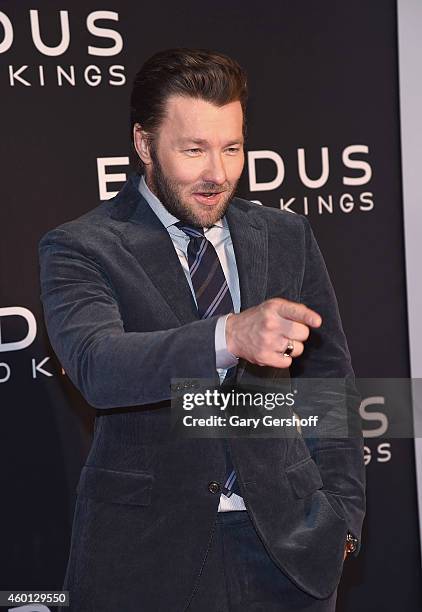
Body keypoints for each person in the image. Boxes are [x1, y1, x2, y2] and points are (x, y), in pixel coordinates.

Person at [38, 48, 366, 612]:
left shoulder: (286, 236)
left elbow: (329, 384)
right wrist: (227, 337)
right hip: (147, 556)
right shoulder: (81, 246)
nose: (218, 174)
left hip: (289, 550)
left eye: (232, 148)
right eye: (194, 150)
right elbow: (97, 365)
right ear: (144, 146)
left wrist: (341, 517)